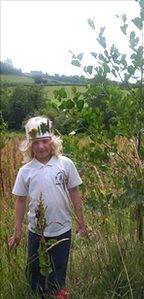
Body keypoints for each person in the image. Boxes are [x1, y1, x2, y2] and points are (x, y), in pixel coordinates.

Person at [8, 116, 87, 298]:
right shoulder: (25, 171)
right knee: (35, 268)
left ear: (52, 141)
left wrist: (81, 222)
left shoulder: (65, 164)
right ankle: (38, 294)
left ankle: (57, 293)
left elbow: (74, 192)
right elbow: (20, 201)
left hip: (62, 228)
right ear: (29, 146)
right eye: (35, 143)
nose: (41, 147)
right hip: (36, 230)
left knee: (58, 268)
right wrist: (17, 230)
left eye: (45, 141)